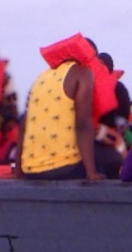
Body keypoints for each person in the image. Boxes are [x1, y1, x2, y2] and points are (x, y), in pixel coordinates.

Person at [17, 33, 104, 180]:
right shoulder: (83, 73)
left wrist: (18, 172)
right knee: (108, 159)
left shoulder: (41, 78)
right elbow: (83, 124)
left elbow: (24, 126)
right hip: (65, 168)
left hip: (31, 170)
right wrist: (91, 173)